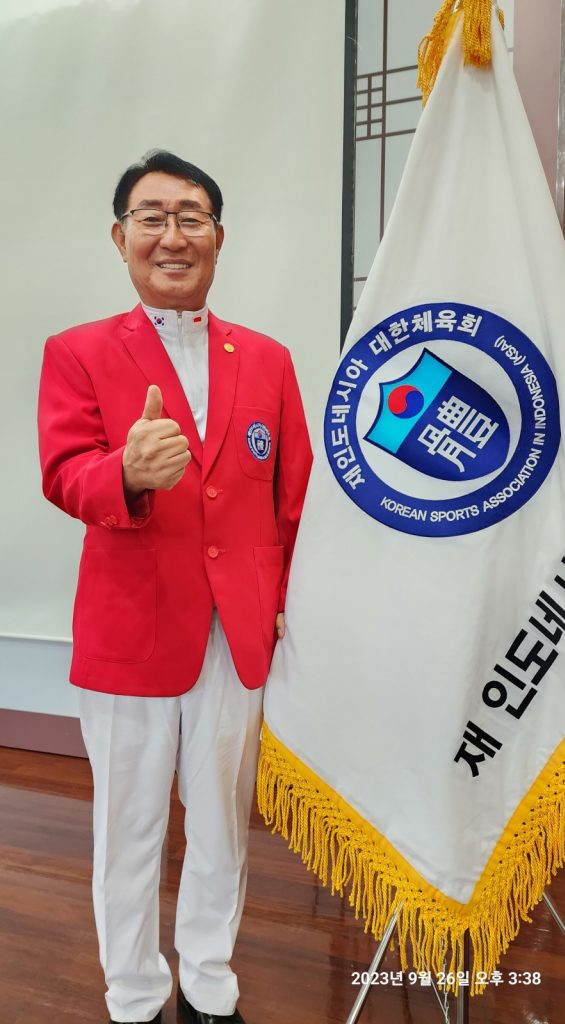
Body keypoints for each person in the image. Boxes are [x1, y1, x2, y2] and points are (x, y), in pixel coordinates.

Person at [37, 149, 312, 1024]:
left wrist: (288, 604)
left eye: (190, 218)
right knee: (128, 825)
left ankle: (208, 980)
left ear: (218, 237)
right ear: (119, 236)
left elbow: (293, 495)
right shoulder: (76, 352)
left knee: (223, 818)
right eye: (151, 217)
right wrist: (124, 472)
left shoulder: (267, 359)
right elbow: (62, 473)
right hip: (131, 628)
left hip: (239, 633)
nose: (171, 235)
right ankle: (132, 992)